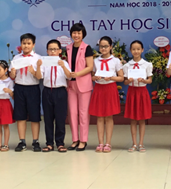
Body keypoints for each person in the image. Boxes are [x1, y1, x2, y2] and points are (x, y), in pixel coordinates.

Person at [89, 36, 124, 153]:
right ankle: (100, 143)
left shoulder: (116, 61)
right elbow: (92, 76)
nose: (103, 49)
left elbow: (121, 78)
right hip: (99, 88)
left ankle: (108, 143)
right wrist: (95, 78)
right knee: (99, 116)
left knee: (109, 116)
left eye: (105, 46)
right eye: (101, 46)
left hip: (110, 88)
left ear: (110, 47)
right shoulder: (95, 61)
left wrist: (111, 77)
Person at [36, 40, 71, 153]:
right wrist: (38, 66)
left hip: (60, 91)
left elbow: (69, 76)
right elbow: (39, 77)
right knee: (48, 118)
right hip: (47, 91)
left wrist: (63, 66)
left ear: (60, 51)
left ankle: (60, 143)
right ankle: (49, 143)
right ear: (47, 51)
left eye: (55, 49)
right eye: (50, 49)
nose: (53, 52)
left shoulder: (64, 63)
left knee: (60, 118)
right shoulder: (44, 63)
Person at [9, 33, 42, 152]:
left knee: (35, 116)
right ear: (21, 45)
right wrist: (12, 73)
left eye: (29, 43)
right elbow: (12, 76)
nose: (26, 46)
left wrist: (33, 72)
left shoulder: (38, 58)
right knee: (20, 116)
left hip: (33, 88)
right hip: (19, 88)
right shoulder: (16, 58)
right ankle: (22, 141)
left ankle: (35, 141)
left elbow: (40, 77)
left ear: (33, 45)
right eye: (24, 43)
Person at [66, 23, 94, 152]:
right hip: (71, 84)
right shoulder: (68, 48)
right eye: (74, 32)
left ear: (83, 34)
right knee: (72, 113)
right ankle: (75, 140)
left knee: (83, 113)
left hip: (83, 84)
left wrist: (77, 74)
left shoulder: (87, 48)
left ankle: (83, 140)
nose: (76, 35)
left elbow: (90, 67)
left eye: (79, 33)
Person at [123, 40, 153, 153]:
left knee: (142, 119)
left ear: (142, 50)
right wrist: (129, 80)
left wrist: (144, 80)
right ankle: (134, 143)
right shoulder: (127, 66)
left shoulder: (147, 64)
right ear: (130, 50)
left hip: (142, 92)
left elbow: (150, 80)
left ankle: (141, 143)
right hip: (132, 92)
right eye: (134, 49)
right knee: (133, 119)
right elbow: (125, 82)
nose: (136, 51)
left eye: (138, 49)